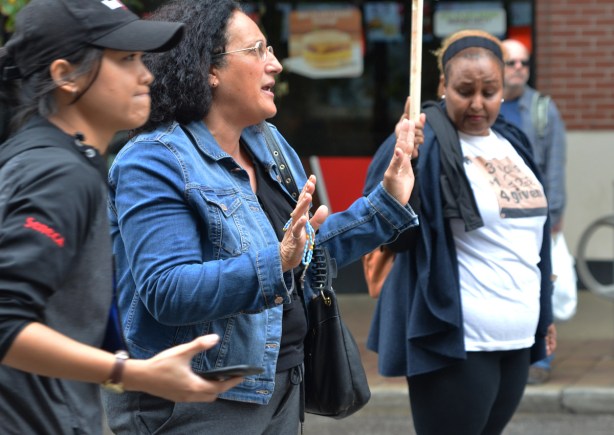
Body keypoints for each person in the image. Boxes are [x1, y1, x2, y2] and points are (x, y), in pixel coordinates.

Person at [101, 0, 419, 433]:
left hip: (281, 384)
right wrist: (279, 261)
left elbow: (304, 253)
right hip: (197, 401)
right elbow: (167, 290)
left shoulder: (266, 141)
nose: (276, 64)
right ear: (208, 69)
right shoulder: (153, 160)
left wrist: (386, 202)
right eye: (257, 50)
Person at [0, 1, 243, 433]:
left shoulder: (39, 156)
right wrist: (130, 373)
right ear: (64, 75)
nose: (146, 74)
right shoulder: (59, 174)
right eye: (126, 59)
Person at [364, 29, 557, 435]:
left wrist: (546, 313)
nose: (477, 103)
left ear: (504, 90)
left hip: (518, 337)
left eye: (489, 91)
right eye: (465, 90)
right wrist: (402, 158)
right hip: (457, 341)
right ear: (442, 87)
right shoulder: (425, 139)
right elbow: (389, 229)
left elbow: (535, 243)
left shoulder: (513, 141)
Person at [500, 38, 568, 385]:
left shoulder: (542, 109)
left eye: (524, 63)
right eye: (511, 63)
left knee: (542, 282)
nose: (519, 69)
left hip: (537, 218)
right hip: (498, 219)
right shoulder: (487, 105)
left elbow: (555, 165)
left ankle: (541, 359)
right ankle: (512, 350)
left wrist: (554, 215)